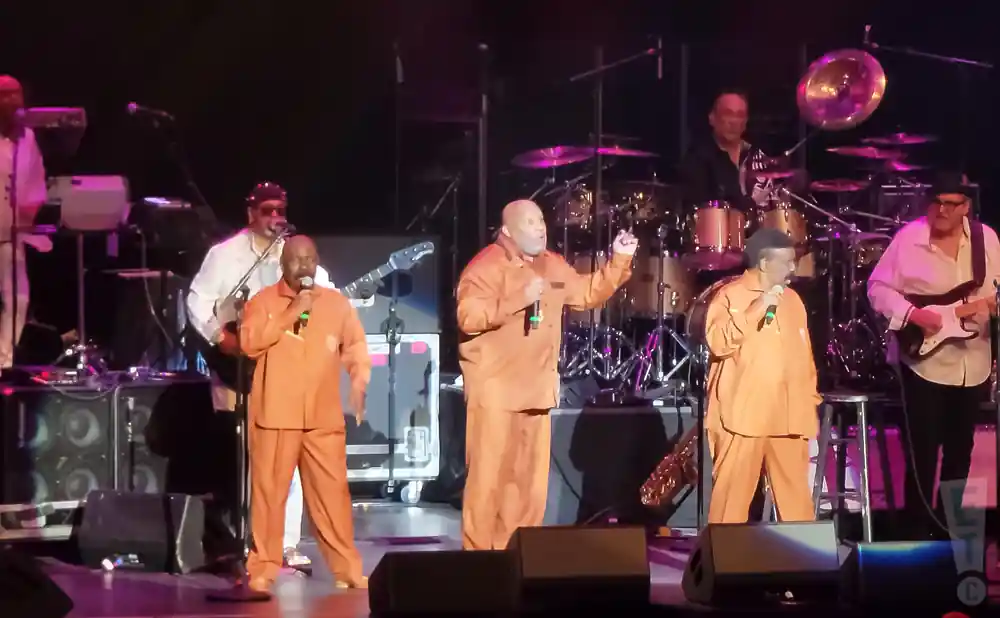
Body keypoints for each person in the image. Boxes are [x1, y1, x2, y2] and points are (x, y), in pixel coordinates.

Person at [455, 199, 638, 550]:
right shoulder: (485, 267)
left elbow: (586, 294)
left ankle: (516, 556)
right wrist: (517, 299)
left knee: (527, 486)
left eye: (541, 220)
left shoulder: (552, 264)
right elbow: (468, 318)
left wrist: (619, 260)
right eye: (530, 223)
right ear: (508, 231)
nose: (540, 228)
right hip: (495, 391)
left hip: (536, 391)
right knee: (488, 483)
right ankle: (478, 562)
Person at [187, 182, 336, 570]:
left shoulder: (293, 252)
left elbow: (326, 290)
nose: (275, 218)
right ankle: (250, 540)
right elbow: (197, 301)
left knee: (288, 451)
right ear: (250, 213)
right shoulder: (226, 256)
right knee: (251, 459)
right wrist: (222, 339)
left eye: (280, 210)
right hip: (240, 369)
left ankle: (285, 544)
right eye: (267, 210)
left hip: (286, 368)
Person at [868, 172, 999, 540]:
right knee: (922, 456)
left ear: (966, 207)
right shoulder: (909, 240)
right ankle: (915, 537)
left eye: (950, 204)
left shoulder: (987, 240)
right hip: (923, 363)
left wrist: (989, 310)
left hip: (972, 363)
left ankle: (953, 537)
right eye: (936, 202)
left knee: (961, 455)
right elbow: (877, 287)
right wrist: (913, 315)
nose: (941, 211)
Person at [239, 234, 369, 591]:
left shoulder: (336, 304)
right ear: (283, 264)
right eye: (297, 260)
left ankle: (347, 571)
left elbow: (355, 344)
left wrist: (359, 381)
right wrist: (290, 313)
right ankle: (263, 568)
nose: (305, 267)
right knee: (269, 497)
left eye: (311, 260)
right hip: (276, 416)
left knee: (333, 498)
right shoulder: (263, 302)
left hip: (322, 417)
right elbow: (249, 343)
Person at [702, 228, 820, 524]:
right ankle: (725, 565)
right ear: (765, 263)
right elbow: (718, 342)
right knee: (731, 506)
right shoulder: (729, 296)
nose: (794, 268)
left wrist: (809, 401)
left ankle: (805, 565)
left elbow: (804, 355)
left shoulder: (793, 300)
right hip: (742, 416)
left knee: (798, 509)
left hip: (789, 417)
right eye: (788, 261)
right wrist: (757, 309)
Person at [0, 75, 49, 370]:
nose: (13, 101)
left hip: (12, 235)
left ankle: (3, 364)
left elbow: (35, 180)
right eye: (5, 95)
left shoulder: (27, 138)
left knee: (17, 300)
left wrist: (28, 211)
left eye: (16, 94)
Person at [677, 90, 771, 212]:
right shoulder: (697, 160)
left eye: (740, 115)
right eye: (728, 113)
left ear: (745, 122)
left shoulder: (758, 156)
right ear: (712, 118)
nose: (734, 121)